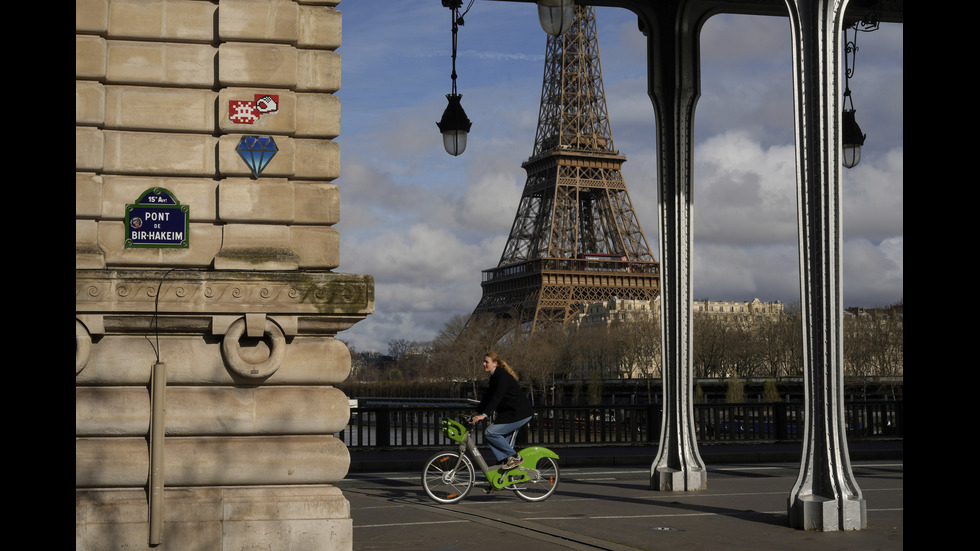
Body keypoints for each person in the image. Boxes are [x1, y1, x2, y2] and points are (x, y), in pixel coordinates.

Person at [471, 352, 533, 470]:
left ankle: (516, 457)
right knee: (504, 454)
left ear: (495, 364)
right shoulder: (495, 377)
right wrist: (476, 412)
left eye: (486, 362)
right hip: (511, 413)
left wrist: (484, 415)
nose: (483, 364)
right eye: (484, 361)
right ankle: (501, 481)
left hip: (519, 413)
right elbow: (488, 397)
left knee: (490, 432)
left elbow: (497, 397)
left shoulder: (502, 376)